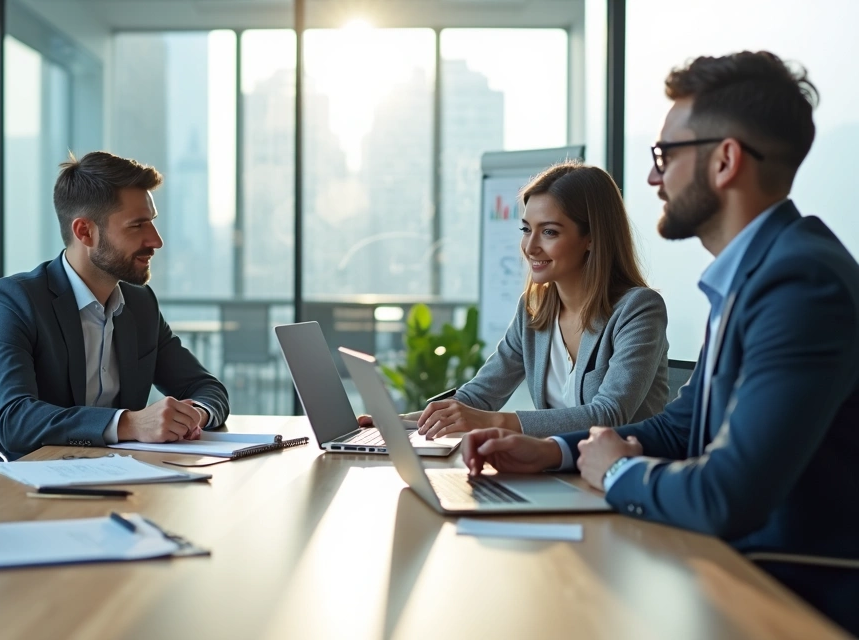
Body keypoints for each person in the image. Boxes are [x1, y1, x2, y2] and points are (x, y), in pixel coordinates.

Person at [460, 51, 859, 634]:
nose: (652, 178)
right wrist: (559, 452)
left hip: (791, 599)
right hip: (733, 575)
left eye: (664, 156)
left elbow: (729, 493)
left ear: (725, 161)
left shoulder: (800, 284)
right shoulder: (757, 276)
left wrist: (618, 473)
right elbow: (682, 428)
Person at [0, 151, 230, 487]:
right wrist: (128, 424)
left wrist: (193, 415)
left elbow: (207, 388)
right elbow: (16, 421)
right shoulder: (14, 301)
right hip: (4, 492)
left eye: (153, 221)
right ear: (85, 232)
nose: (156, 241)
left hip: (107, 484)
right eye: (137, 225)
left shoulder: (140, 304)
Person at [364, 162, 669, 439]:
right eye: (526, 230)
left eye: (549, 232)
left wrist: (491, 422)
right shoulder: (534, 310)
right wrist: (397, 421)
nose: (530, 247)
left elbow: (608, 416)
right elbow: (478, 398)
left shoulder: (638, 309)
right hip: (556, 471)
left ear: (591, 238)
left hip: (619, 482)